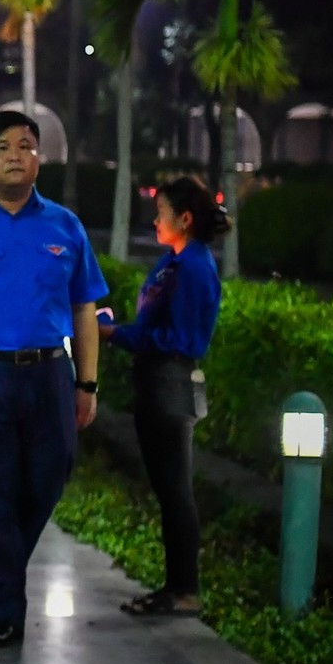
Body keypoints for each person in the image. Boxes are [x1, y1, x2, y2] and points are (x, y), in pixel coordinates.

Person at [0, 110, 106, 648]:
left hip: (47, 373)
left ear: (40, 157)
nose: (15, 154)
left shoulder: (64, 225)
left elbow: (84, 308)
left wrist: (88, 383)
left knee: (47, 477)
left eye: (26, 146)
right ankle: (5, 606)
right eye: (3, 146)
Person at [105, 176, 225, 617]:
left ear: (185, 219)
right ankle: (175, 586)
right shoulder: (176, 260)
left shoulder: (193, 267)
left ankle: (184, 589)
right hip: (157, 383)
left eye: (161, 213)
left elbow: (182, 337)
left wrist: (116, 333)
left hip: (170, 385)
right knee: (168, 488)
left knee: (175, 489)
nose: (155, 220)